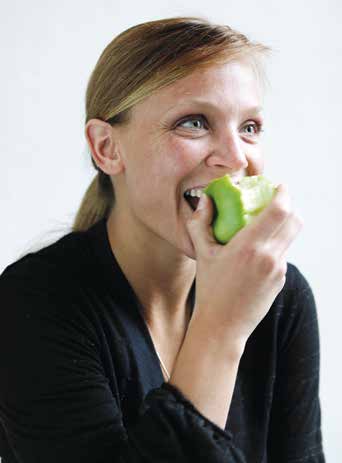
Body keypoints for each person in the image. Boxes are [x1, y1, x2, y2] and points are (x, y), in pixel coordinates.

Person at [0, 16, 325, 462]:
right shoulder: (32, 304)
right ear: (106, 148)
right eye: (193, 122)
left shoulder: (281, 297)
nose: (236, 160)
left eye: (249, 127)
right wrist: (222, 328)